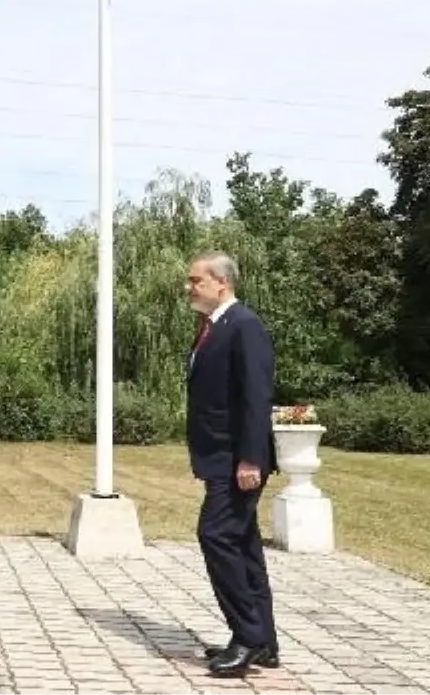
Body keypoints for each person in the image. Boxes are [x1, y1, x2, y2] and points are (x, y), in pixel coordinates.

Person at [185, 251, 280, 676]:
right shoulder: (213, 327)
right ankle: (266, 644)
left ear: (221, 282)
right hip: (219, 457)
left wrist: (250, 458)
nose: (189, 288)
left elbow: (255, 398)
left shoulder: (245, 326)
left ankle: (247, 636)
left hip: (236, 460)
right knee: (242, 545)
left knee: (215, 535)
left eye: (195, 281)